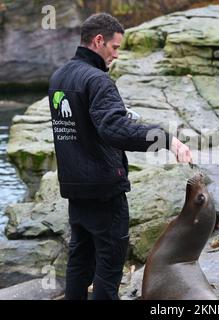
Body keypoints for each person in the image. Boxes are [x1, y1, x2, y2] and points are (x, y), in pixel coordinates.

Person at [48, 13, 192, 300]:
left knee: (79, 259)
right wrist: (166, 138)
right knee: (109, 265)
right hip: (103, 189)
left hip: (75, 187)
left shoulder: (59, 76)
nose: (116, 55)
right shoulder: (98, 80)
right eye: (114, 48)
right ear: (98, 40)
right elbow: (115, 130)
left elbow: (84, 125)